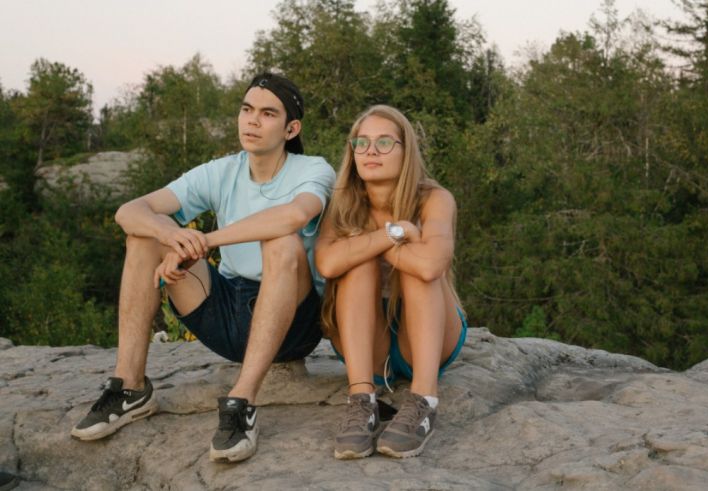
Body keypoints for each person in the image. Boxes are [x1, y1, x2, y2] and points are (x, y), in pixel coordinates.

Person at [70, 73, 336, 463]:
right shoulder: (220, 171)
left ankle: (242, 402)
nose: (252, 121)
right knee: (144, 236)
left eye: (267, 114)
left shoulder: (313, 169)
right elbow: (129, 211)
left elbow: (293, 216)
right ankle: (130, 386)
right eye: (246, 109)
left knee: (281, 243)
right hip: (227, 312)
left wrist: (205, 241)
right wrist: (171, 235)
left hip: (292, 324)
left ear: (291, 128)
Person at [315, 105, 467, 459]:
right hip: (370, 344)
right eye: (362, 142)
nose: (370, 151)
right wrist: (394, 235)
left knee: (415, 269)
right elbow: (328, 263)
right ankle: (361, 400)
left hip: (428, 338)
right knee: (358, 267)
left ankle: (424, 399)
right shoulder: (343, 202)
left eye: (384, 142)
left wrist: (367, 244)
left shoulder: (434, 198)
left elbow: (431, 267)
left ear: (405, 150)